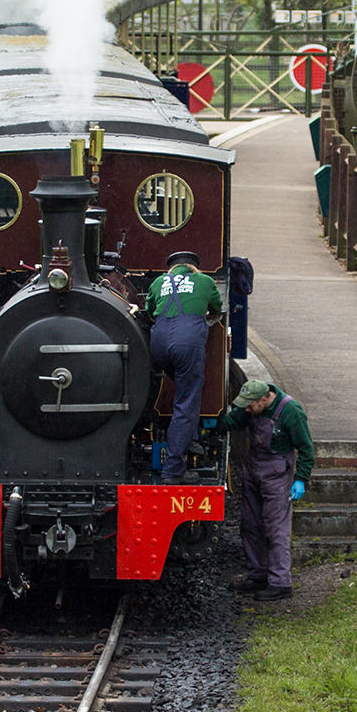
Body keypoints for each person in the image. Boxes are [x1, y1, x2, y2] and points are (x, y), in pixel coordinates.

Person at [225, 377, 312, 600]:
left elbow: (306, 448)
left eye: (250, 405)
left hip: (277, 475)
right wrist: (209, 423)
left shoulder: (292, 412)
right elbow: (233, 422)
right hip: (253, 468)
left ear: (263, 400)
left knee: (276, 529)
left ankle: (281, 582)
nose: (246, 409)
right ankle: (257, 576)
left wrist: (300, 478)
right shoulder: (252, 405)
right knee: (251, 524)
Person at [144, 250, 222, 478]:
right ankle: (173, 471)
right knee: (186, 404)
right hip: (187, 341)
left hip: (158, 342)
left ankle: (191, 438)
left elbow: (149, 311)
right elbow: (216, 309)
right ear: (193, 267)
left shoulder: (159, 282)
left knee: (182, 387)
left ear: (171, 268)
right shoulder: (205, 281)